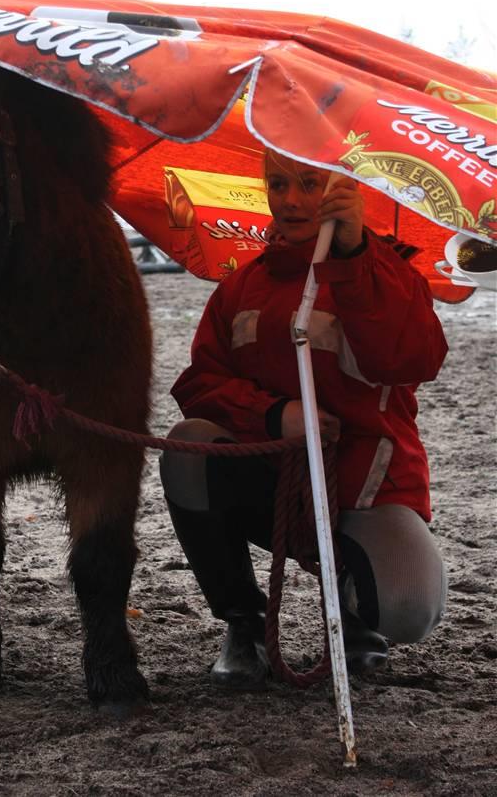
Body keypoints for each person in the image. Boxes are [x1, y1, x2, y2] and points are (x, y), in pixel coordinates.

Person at [159, 150, 449, 688]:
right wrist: (275, 416)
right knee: (188, 447)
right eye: (278, 183)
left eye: (310, 184)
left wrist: (356, 255)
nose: (290, 199)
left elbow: (413, 360)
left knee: (408, 605)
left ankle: (359, 614)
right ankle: (244, 624)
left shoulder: (389, 272)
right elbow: (200, 384)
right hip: (274, 480)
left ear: (347, 190)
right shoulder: (242, 286)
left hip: (366, 490)